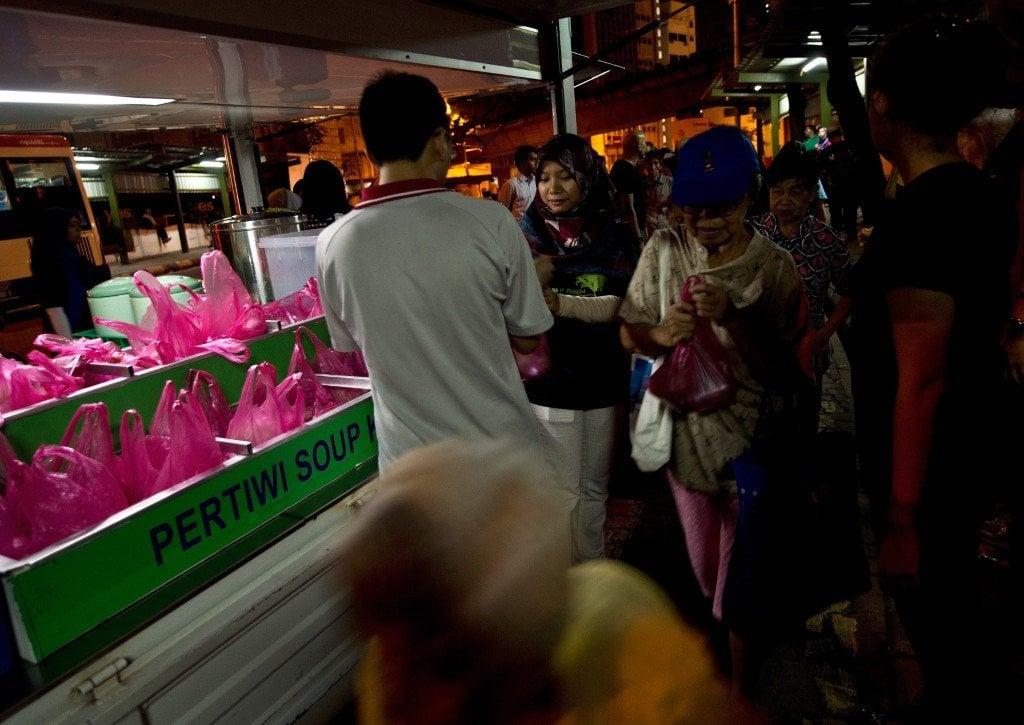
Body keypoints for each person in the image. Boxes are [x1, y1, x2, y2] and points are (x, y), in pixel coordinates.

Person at [848, 17, 1015, 719]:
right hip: (971, 447)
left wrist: (902, 519)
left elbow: (920, 377)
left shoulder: (923, 214)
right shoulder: (981, 192)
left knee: (948, 645)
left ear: (883, 104)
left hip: (932, 474)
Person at [342, 439, 742, 724]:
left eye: (437, 663)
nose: (395, 696)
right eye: (377, 639)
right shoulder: (391, 658)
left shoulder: (627, 648)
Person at [619, 126, 811, 701]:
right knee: (708, 575)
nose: (707, 222)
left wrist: (733, 317)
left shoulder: (775, 268)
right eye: (694, 209)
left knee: (738, 585)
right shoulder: (664, 250)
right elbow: (629, 333)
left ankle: (738, 693)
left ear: (749, 198)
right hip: (686, 449)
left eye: (723, 207)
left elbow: (788, 372)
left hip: (753, 451)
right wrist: (659, 333)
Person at [316, 71, 552, 468]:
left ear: (370, 151)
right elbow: (527, 340)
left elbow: (355, 344)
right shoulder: (491, 221)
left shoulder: (332, 244)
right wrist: (537, 276)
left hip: (410, 472)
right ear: (440, 140)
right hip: (499, 459)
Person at [518, 133, 638, 562]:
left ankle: (592, 570)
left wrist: (562, 303)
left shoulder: (617, 235)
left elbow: (626, 305)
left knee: (595, 490)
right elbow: (505, 302)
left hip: (604, 378)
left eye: (565, 176)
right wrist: (531, 278)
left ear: (587, 178)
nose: (552, 188)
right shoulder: (525, 237)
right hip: (552, 382)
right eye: (544, 177)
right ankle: (566, 577)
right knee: (563, 491)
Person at [30, 207, 92, 337]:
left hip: (83, 328)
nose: (78, 230)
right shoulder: (48, 262)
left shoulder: (71, 255)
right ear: (57, 229)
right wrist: (68, 343)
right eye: (72, 225)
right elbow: (53, 306)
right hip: (67, 332)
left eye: (78, 225)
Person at [819, 127, 861, 242]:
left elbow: (822, 168)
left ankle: (836, 235)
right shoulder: (850, 149)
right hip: (848, 185)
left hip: (835, 185)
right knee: (849, 211)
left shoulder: (827, 151)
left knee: (836, 212)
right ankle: (851, 234)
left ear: (830, 138)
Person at [610, 129, 647, 247]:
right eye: (644, 143)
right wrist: (639, 238)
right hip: (630, 233)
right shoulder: (627, 171)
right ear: (639, 147)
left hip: (625, 230)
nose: (646, 146)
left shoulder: (619, 166)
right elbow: (628, 207)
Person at [497, 145, 538, 221]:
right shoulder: (511, 184)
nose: (536, 163)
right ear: (522, 162)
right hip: (518, 227)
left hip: (535, 226)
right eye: (533, 160)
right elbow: (502, 211)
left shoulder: (536, 181)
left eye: (537, 159)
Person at [644, 149, 673, 234]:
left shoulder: (670, 182)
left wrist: (668, 200)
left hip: (667, 226)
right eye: (650, 164)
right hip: (650, 229)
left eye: (656, 163)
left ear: (660, 165)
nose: (653, 167)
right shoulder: (642, 185)